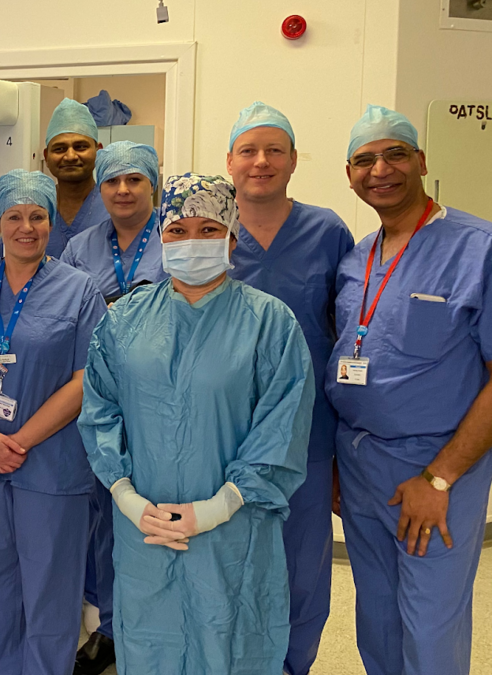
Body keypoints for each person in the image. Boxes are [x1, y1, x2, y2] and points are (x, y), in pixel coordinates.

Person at [79, 173, 314, 675]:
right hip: (145, 526)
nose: (193, 241)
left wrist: (219, 507)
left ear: (232, 239)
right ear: (162, 239)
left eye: (209, 229)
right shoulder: (123, 321)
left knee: (230, 636)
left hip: (234, 529)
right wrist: (126, 497)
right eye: (179, 230)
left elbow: (282, 424)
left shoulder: (269, 323)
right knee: (150, 641)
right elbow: (100, 410)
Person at [326, 105, 492, 675]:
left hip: (433, 467)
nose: (381, 169)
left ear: (421, 161)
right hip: (359, 463)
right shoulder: (356, 259)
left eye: (395, 154)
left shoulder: (477, 247)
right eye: (365, 159)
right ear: (349, 174)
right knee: (377, 615)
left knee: (429, 623)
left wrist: (440, 476)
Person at [0, 169, 106, 675]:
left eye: (37, 216)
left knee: (51, 588)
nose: (26, 227)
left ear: (50, 223)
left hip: (51, 464)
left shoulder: (79, 291)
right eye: (15, 217)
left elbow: (84, 377)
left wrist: (20, 440)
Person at [224, 101, 355, 675]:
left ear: (294, 160)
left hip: (307, 427)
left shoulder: (326, 231)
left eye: (274, 149)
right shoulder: (209, 229)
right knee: (228, 552)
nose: (261, 161)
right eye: (249, 150)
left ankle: (290, 665)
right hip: (225, 424)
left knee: (300, 560)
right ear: (229, 161)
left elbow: (348, 330)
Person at [58, 140, 165, 675]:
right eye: (113, 181)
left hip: (164, 401)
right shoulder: (81, 247)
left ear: (153, 184)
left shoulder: (177, 238)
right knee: (103, 515)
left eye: (134, 180)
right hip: (100, 400)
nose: (123, 190)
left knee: (156, 513)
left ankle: (153, 627)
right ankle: (108, 628)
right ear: (101, 189)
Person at [0, 99, 108, 259]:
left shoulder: (115, 207)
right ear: (47, 156)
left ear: (99, 151)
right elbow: (5, 267)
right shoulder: (28, 208)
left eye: (80, 147)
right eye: (60, 149)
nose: (70, 156)